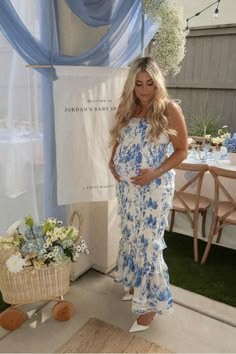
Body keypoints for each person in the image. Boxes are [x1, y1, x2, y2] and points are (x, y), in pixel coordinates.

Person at [109, 56, 188, 333]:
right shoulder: (127, 107)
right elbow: (120, 138)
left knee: (149, 243)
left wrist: (155, 172)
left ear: (158, 84)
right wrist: (112, 160)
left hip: (153, 190)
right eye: (139, 84)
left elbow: (181, 151)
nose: (144, 90)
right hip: (127, 189)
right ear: (132, 84)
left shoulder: (168, 109)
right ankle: (134, 285)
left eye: (149, 84)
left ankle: (151, 304)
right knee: (131, 235)